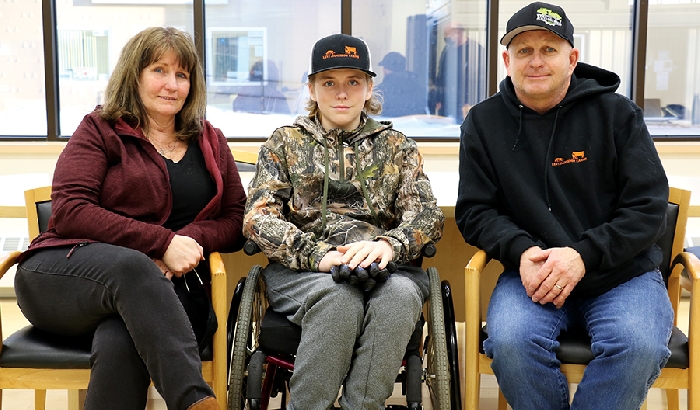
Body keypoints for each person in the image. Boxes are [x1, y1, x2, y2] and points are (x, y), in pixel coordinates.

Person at [14, 27, 247, 410]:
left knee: (121, 338)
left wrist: (186, 240)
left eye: (182, 75)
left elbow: (235, 218)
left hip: (171, 290)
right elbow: (70, 210)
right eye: (159, 70)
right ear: (134, 75)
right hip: (66, 277)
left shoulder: (211, 140)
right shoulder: (100, 129)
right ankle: (197, 402)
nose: (171, 84)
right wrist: (161, 243)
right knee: (133, 267)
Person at [455, 2, 672, 409]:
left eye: (549, 49)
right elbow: (475, 212)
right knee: (511, 343)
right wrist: (522, 251)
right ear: (507, 60)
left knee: (638, 346)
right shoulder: (483, 124)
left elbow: (648, 208)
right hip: (533, 274)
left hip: (620, 275)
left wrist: (582, 256)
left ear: (572, 58)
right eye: (524, 51)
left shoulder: (617, 114)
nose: (536, 61)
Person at [243, 33, 444, 410]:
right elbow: (258, 218)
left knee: (400, 299)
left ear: (369, 87)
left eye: (353, 82)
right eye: (329, 82)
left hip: (387, 268)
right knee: (339, 299)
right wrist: (320, 255)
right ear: (312, 87)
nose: (341, 93)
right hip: (305, 272)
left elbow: (428, 216)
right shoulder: (285, 143)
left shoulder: (398, 146)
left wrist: (388, 246)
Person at [432, 22, 486, 122]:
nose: (446, 38)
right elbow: (441, 75)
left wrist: (470, 101)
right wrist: (438, 99)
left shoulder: (474, 50)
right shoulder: (447, 50)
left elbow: (480, 78)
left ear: (458, 33)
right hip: (447, 100)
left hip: (465, 101)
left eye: (448, 34)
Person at [375, 51, 426, 117]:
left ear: (384, 69)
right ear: (405, 68)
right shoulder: (420, 88)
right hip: (417, 126)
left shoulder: (380, 92)